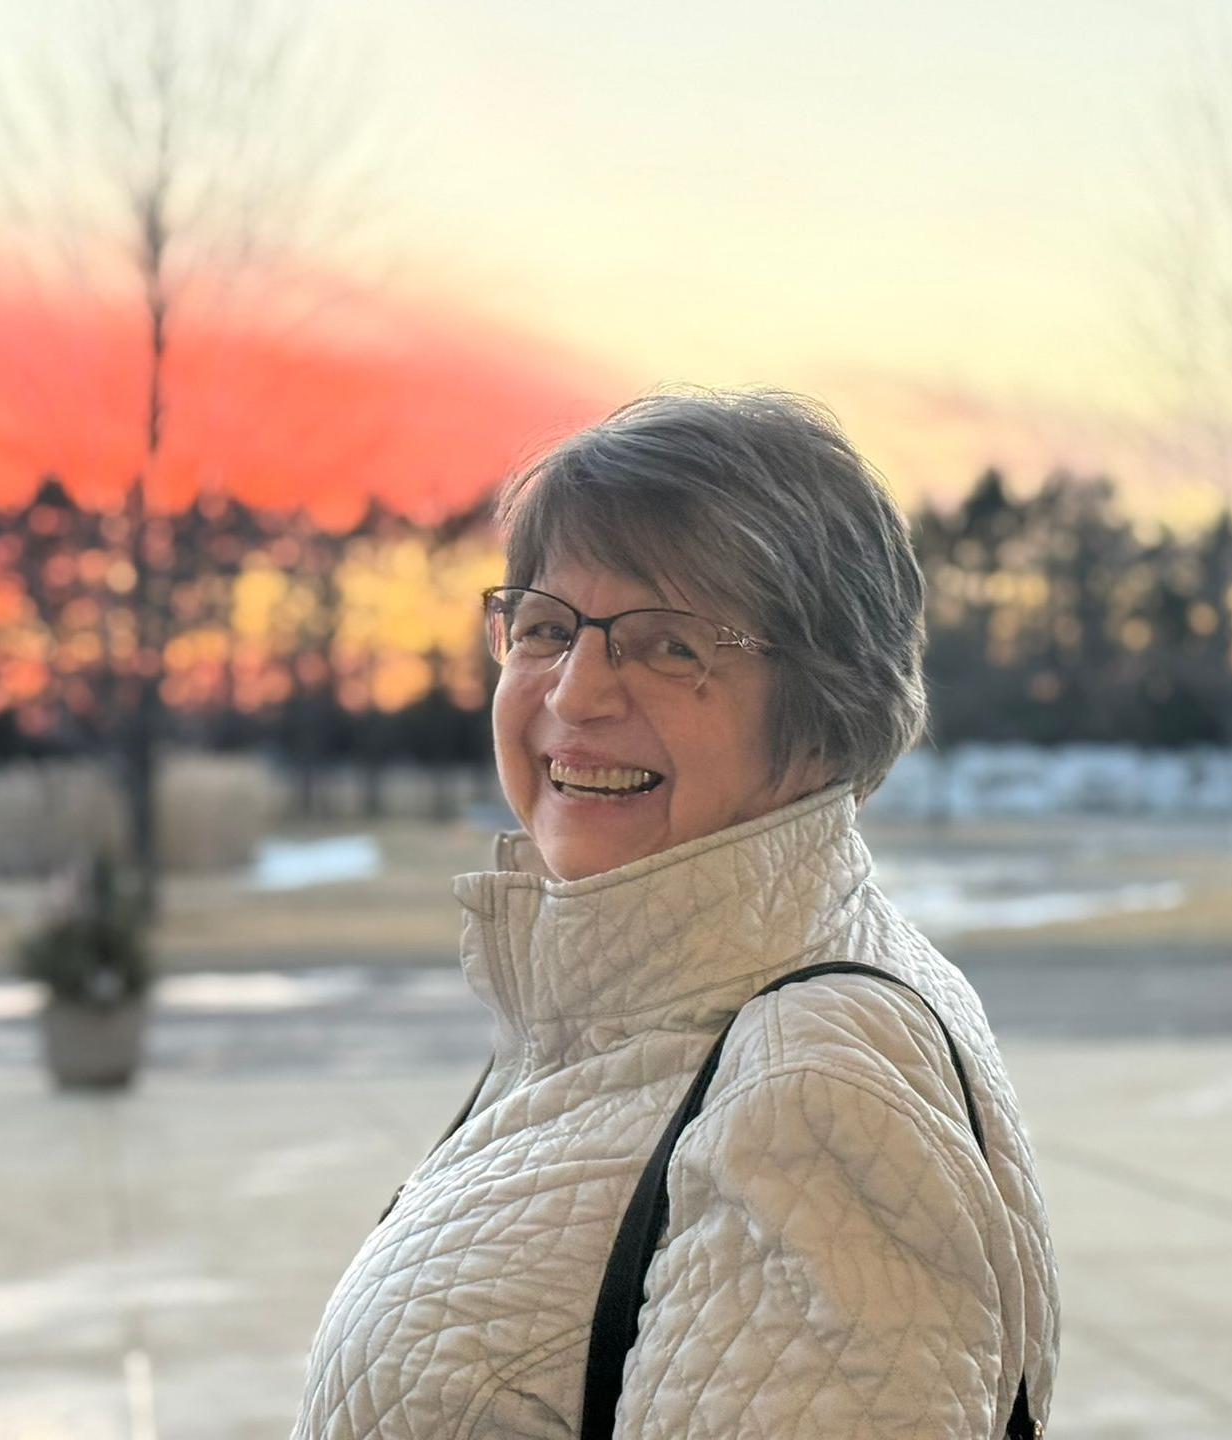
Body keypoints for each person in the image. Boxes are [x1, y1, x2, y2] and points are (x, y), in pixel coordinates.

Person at [294, 389, 1060, 1439]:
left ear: (824, 711)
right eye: (544, 627)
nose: (574, 693)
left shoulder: (815, 1087)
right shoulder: (616, 1001)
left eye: (666, 646)